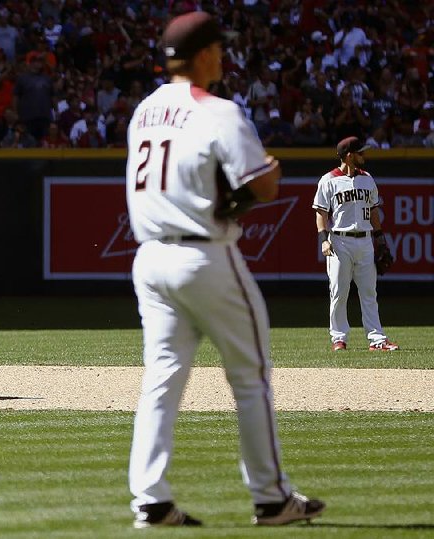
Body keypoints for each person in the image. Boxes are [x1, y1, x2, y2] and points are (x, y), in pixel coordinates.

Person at [125, 12, 325, 528]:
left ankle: (150, 498)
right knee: (250, 376)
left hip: (150, 259)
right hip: (203, 255)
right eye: (217, 48)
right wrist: (271, 171)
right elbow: (262, 186)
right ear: (206, 54)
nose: (223, 55)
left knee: (162, 378)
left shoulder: (144, 111)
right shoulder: (218, 111)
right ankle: (271, 497)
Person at [312, 136, 399, 352]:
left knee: (369, 292)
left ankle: (377, 339)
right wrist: (324, 240)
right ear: (349, 156)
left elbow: (374, 212)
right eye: (361, 152)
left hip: (365, 241)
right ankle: (338, 338)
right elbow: (321, 213)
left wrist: (380, 239)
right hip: (339, 241)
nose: (364, 155)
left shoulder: (367, 179)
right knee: (339, 291)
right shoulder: (328, 180)